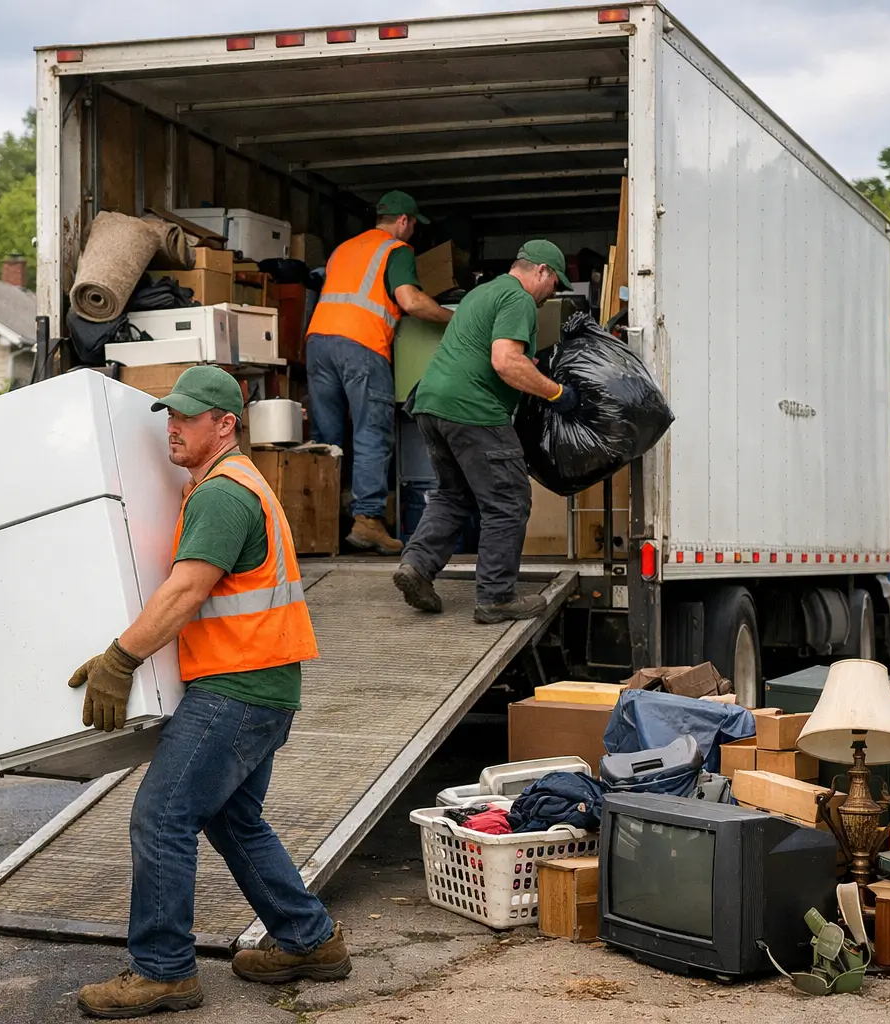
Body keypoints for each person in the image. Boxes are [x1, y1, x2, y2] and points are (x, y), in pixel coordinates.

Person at [68, 365, 349, 1019]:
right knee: (232, 819)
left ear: (225, 424)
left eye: (187, 417)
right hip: (260, 683)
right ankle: (310, 941)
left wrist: (120, 659)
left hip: (237, 687)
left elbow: (187, 590)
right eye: (169, 415)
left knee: (162, 817)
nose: (173, 427)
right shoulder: (228, 484)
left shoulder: (223, 493)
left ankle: (163, 971)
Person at [392, 241, 578, 622]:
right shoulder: (519, 299)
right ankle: (496, 597)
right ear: (541, 271)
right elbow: (505, 361)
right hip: (472, 409)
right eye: (555, 284)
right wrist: (556, 393)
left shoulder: (481, 293)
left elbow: (484, 351)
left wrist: (527, 366)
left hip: (430, 402)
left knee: (454, 494)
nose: (551, 295)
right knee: (508, 499)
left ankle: (418, 567)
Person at [305, 190, 454, 555]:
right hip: (362, 344)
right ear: (403, 221)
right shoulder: (396, 250)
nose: (413, 231)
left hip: (318, 342)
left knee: (326, 438)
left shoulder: (343, 249)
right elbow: (410, 301)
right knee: (372, 432)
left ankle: (320, 525)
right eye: (414, 224)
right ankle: (368, 520)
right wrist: (457, 319)